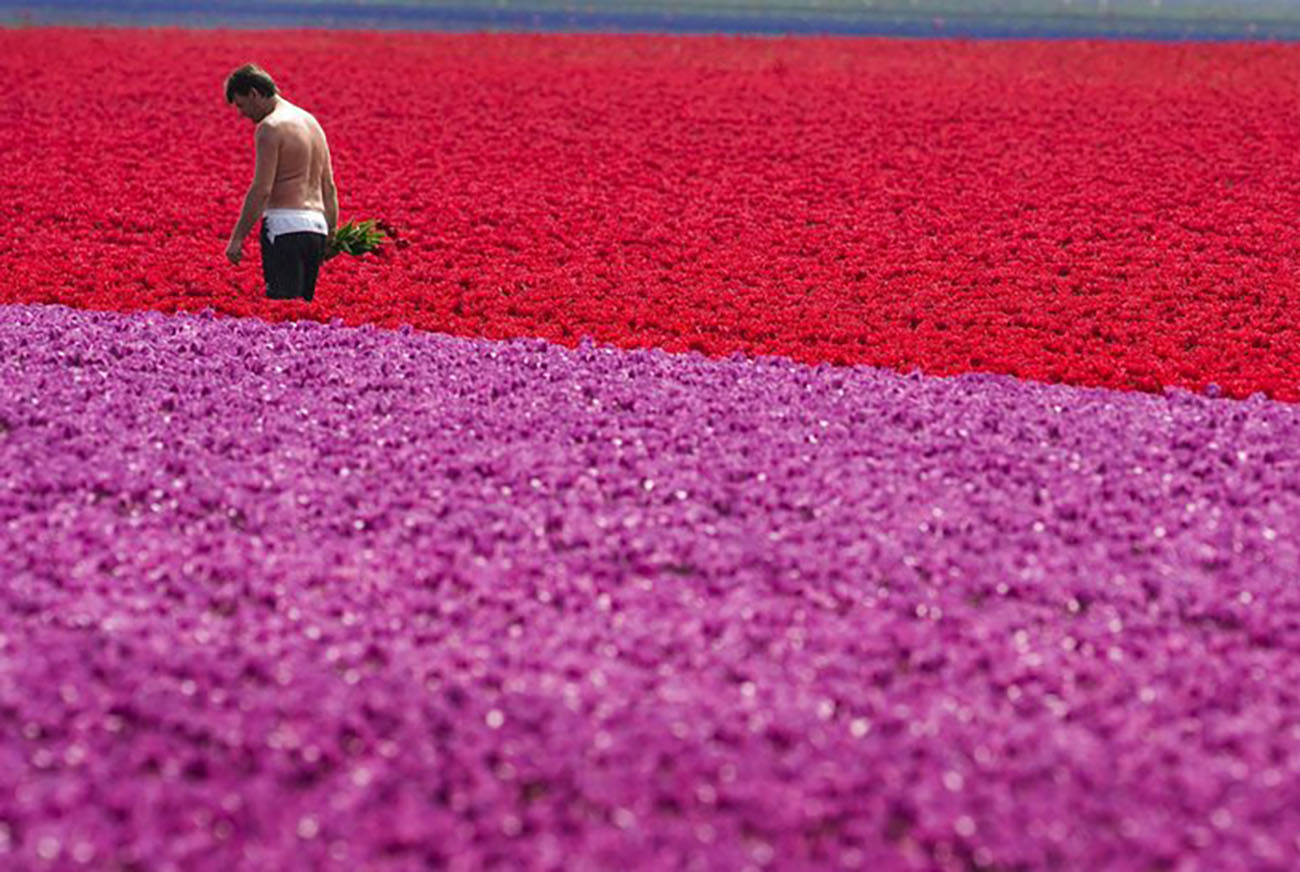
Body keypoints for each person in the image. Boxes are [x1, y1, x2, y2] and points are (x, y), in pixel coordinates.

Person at [224, 64, 337, 302]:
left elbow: (262, 189)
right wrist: (332, 233)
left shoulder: (270, 127)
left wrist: (237, 238)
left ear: (254, 93)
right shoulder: (312, 123)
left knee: (282, 310)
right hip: (316, 228)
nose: (242, 115)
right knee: (305, 313)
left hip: (285, 226)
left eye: (242, 105)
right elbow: (329, 187)